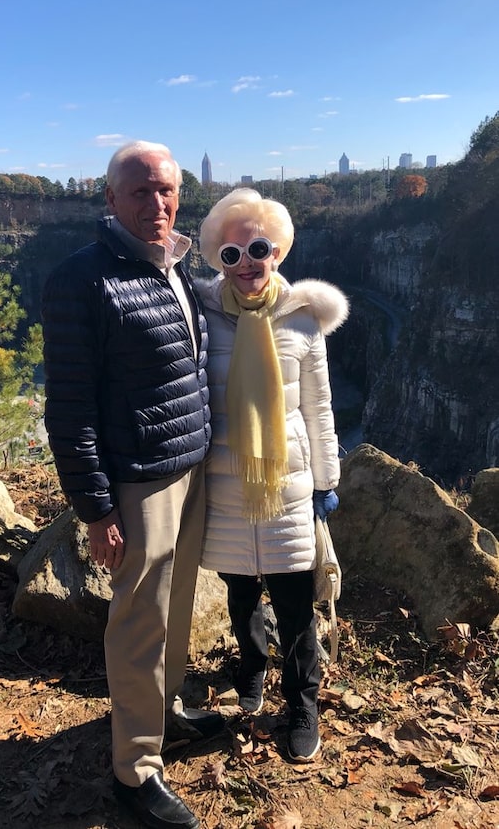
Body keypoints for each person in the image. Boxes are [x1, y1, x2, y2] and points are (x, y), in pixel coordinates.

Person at [42, 140, 222, 829]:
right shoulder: (81, 278)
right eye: (141, 190)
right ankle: (134, 769)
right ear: (109, 198)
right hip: (136, 480)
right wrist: (94, 507)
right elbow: (70, 406)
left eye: (167, 190)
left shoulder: (179, 263)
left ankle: (166, 710)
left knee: (175, 608)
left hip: (189, 462)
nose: (157, 203)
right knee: (138, 624)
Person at [195, 188, 348, 763]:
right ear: (218, 258)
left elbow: (319, 407)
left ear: (278, 251)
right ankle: (252, 671)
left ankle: (302, 704)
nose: (247, 263)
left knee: (295, 605)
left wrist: (326, 483)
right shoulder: (203, 317)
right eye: (232, 253)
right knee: (240, 595)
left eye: (258, 248)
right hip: (227, 483)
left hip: (287, 485)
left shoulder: (303, 321)